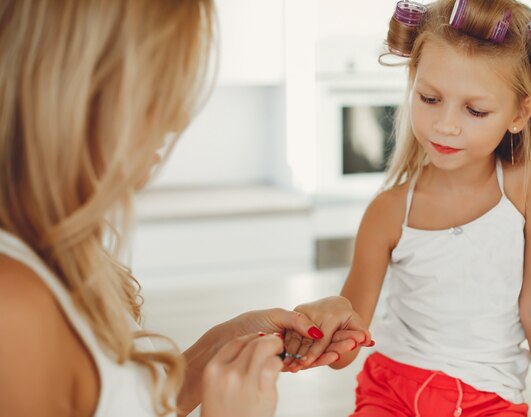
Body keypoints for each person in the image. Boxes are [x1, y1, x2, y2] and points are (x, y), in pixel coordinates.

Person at [0, 1, 372, 417]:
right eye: (155, 88)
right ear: (69, 89)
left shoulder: (59, 252)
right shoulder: (13, 308)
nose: (176, 118)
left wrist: (222, 347)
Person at [288, 0, 531, 416]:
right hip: (390, 392)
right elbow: (350, 343)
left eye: (475, 110)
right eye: (429, 98)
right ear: (412, 83)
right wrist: (325, 325)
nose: (446, 125)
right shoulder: (387, 212)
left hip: (489, 401)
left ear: (520, 112)